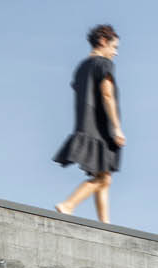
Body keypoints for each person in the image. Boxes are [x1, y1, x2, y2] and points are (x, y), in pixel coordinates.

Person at [53, 24, 126, 222]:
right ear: (103, 41)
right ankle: (68, 205)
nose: (115, 52)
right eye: (114, 47)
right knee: (103, 177)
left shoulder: (81, 67)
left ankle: (105, 223)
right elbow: (107, 94)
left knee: (105, 178)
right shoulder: (104, 64)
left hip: (85, 124)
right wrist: (117, 127)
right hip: (100, 128)